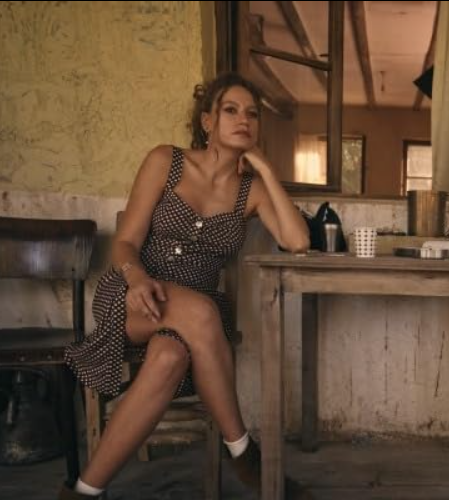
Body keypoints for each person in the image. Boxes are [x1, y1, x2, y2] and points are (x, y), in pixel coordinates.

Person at [61, 72, 312, 499]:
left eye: (252, 114)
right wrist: (137, 279)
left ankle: (83, 491)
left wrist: (267, 169)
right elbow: (125, 242)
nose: (243, 119)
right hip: (136, 294)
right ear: (207, 121)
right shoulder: (166, 161)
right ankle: (245, 454)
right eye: (230, 110)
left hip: (198, 314)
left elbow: (298, 241)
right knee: (200, 312)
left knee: (170, 356)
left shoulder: (251, 190)